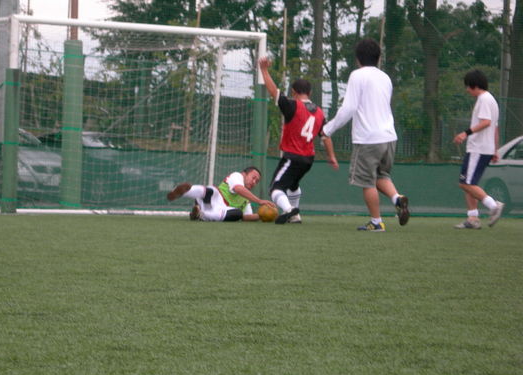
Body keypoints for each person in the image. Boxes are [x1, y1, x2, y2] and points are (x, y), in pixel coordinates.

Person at [322, 38, 409, 232]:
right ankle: (397, 198)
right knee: (381, 175)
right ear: (378, 58)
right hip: (389, 137)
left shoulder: (357, 75)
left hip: (368, 139)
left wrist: (328, 129)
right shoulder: (385, 78)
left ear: (358, 58)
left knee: (367, 181)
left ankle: (376, 222)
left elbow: (349, 108)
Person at [258, 58, 338, 225]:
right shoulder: (319, 113)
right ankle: (295, 216)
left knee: (275, 188)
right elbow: (325, 136)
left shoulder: (292, 105)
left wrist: (264, 70)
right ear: (309, 93)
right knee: (293, 184)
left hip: (292, 157)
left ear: (293, 92)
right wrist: (331, 156)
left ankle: (289, 210)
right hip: (308, 159)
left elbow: (274, 91)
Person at [452, 69, 504, 229]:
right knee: (470, 183)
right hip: (485, 149)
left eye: (468, 86)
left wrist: (464, 133)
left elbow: (486, 122)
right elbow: (495, 128)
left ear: (474, 85)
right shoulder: (491, 100)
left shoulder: (484, 99)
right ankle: (473, 219)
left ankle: (493, 206)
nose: (467, 90)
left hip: (478, 149)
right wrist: (495, 149)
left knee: (465, 183)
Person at [166, 166, 277, 222]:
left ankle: (199, 214)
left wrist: (263, 215)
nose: (254, 182)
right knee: (210, 191)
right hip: (212, 199)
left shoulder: (246, 199)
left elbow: (245, 217)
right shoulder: (237, 176)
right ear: (244, 174)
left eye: (257, 181)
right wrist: (259, 201)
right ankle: (183, 191)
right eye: (253, 178)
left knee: (237, 214)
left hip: (217, 211)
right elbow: (238, 188)